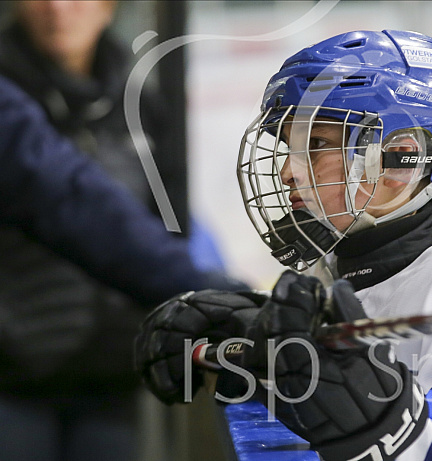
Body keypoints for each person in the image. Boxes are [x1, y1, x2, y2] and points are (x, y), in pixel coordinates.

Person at [135, 30, 432, 460]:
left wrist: (378, 417)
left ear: (400, 161)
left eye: (318, 144)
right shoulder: (322, 279)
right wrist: (239, 355)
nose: (288, 171)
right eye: (288, 147)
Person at [0, 65, 248, 461]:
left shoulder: (139, 98)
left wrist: (203, 288)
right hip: (17, 373)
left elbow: (159, 217)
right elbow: (65, 196)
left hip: (109, 367)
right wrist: (204, 289)